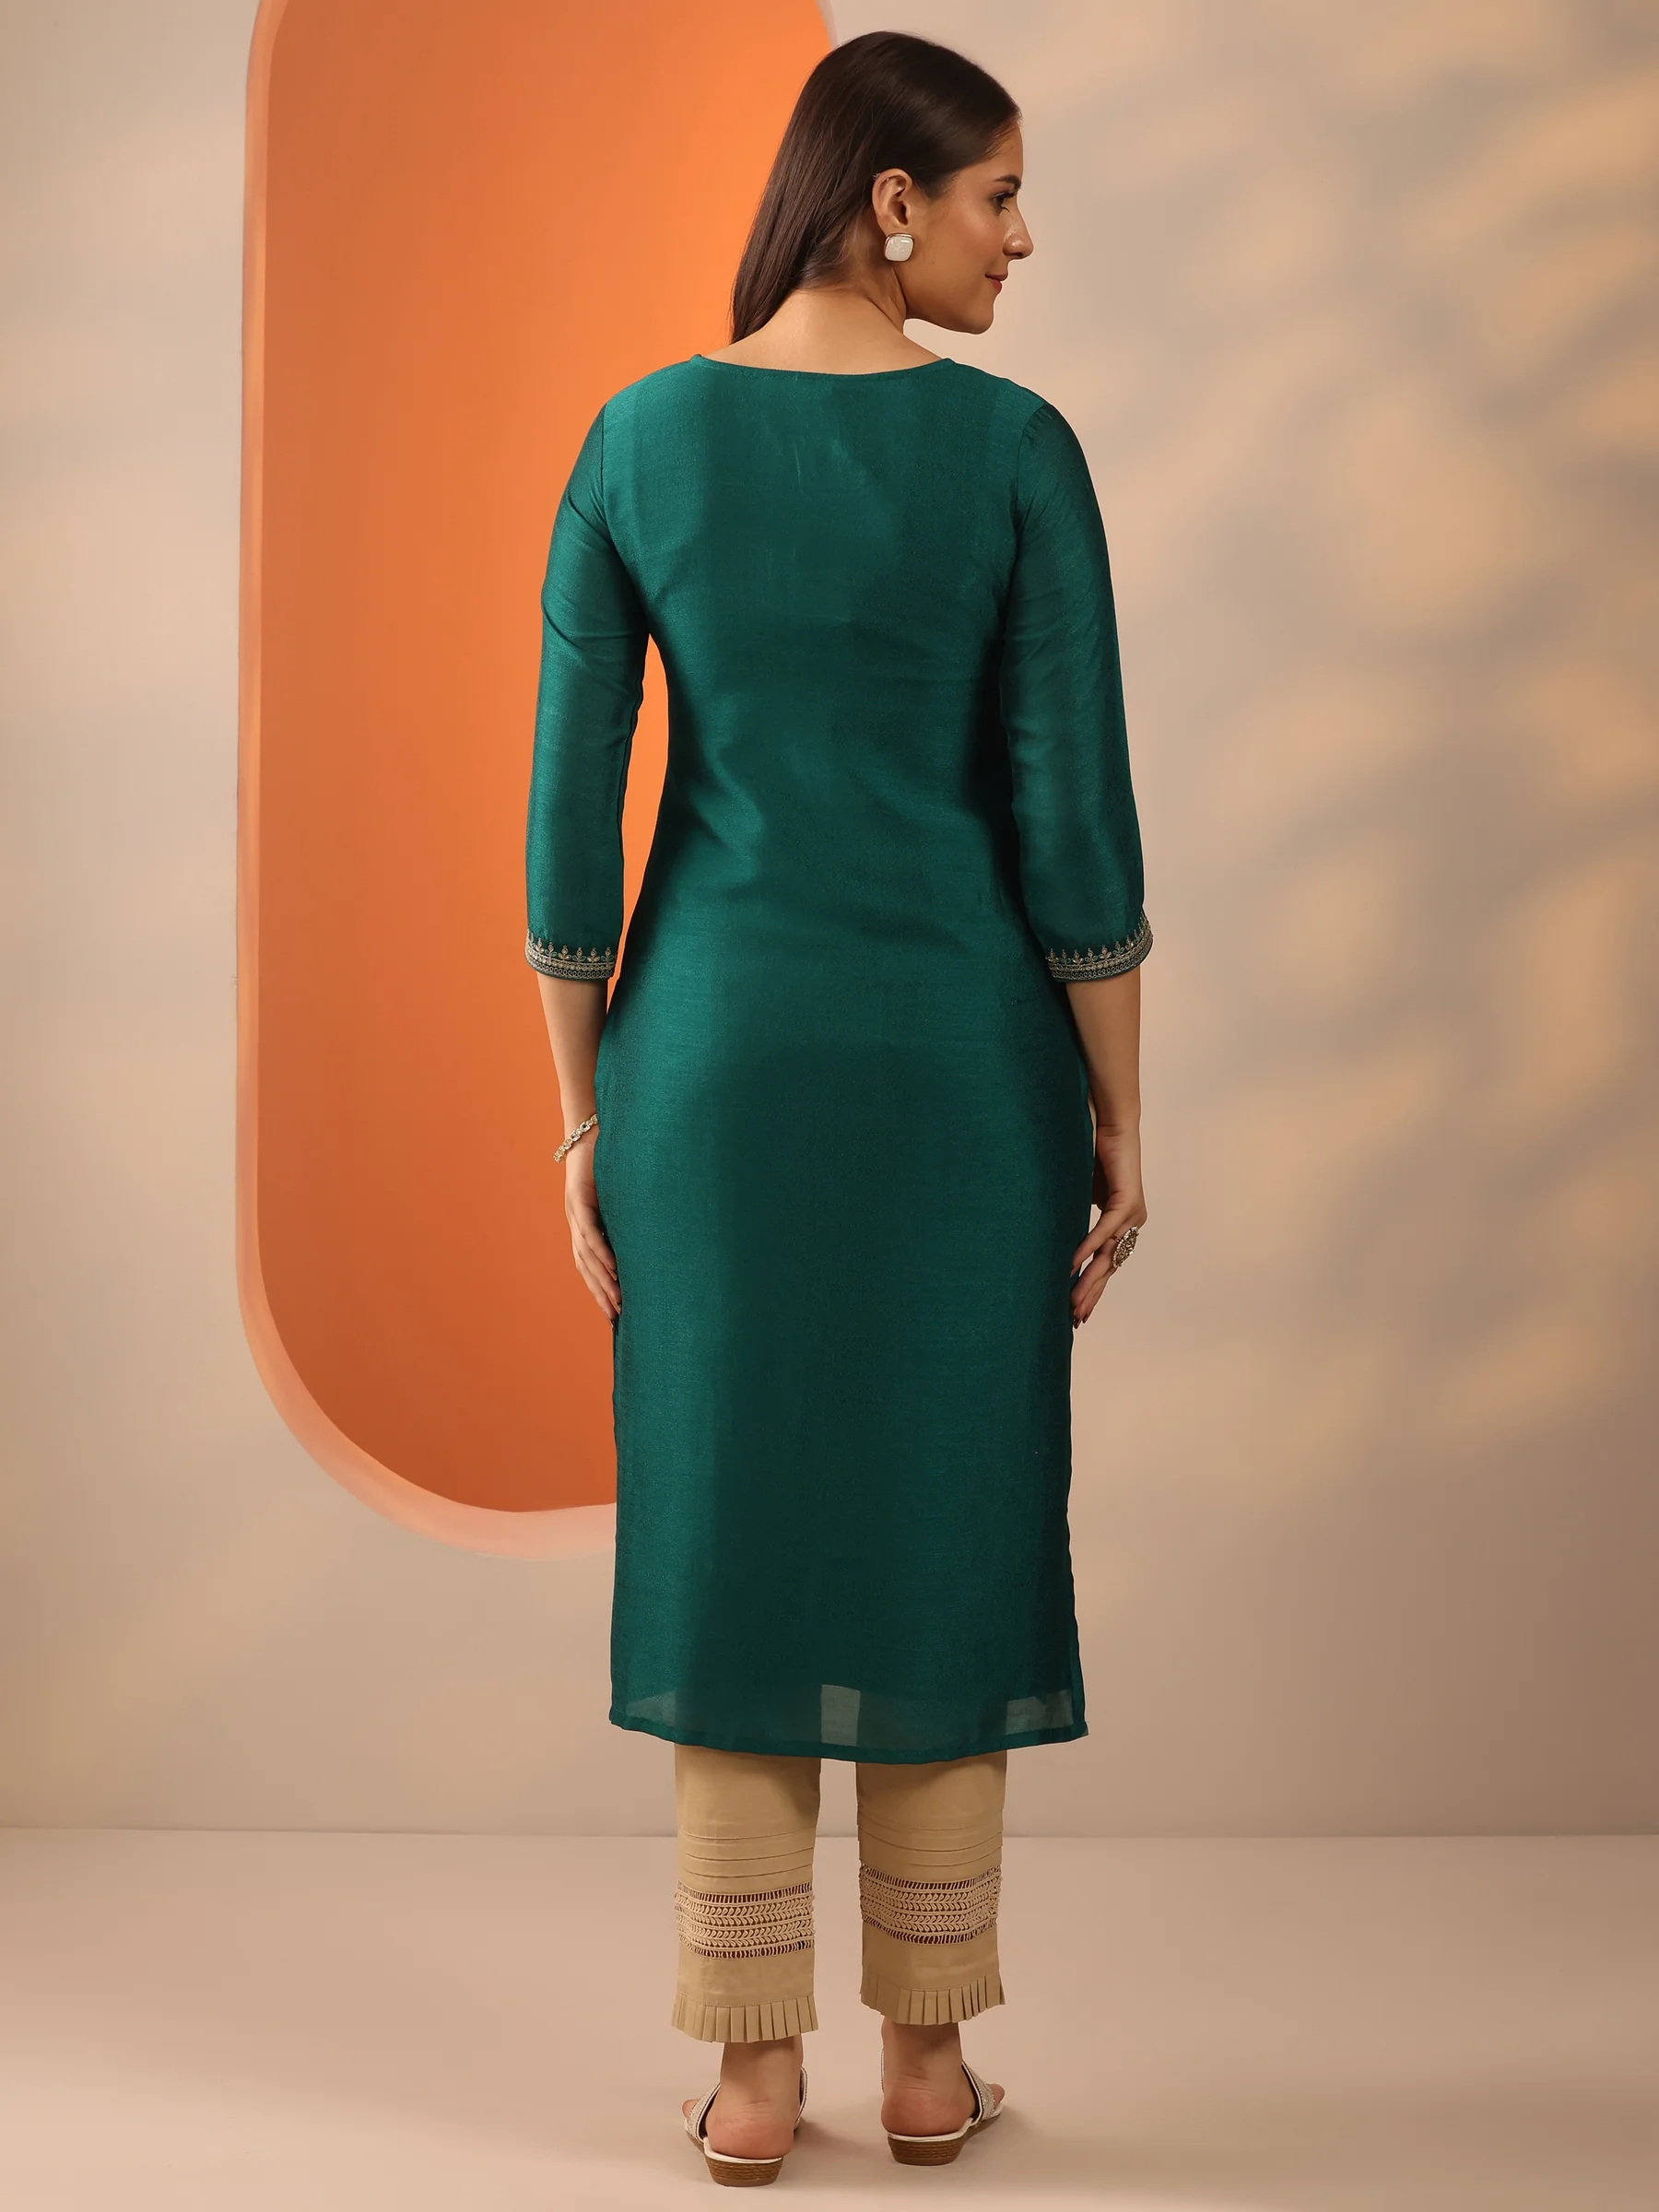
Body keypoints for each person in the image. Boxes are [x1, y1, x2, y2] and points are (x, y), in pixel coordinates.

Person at [524, 29, 1150, 2186]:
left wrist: (585, 1123)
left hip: (709, 1075)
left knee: (729, 1537)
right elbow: (1077, 831)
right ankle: (928, 2064)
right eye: (998, 194)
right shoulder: (1015, 455)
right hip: (962, 1074)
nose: (1021, 238)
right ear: (891, 200)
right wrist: (1121, 1118)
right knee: (949, 1526)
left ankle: (749, 2078)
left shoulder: (636, 440)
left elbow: (566, 842)